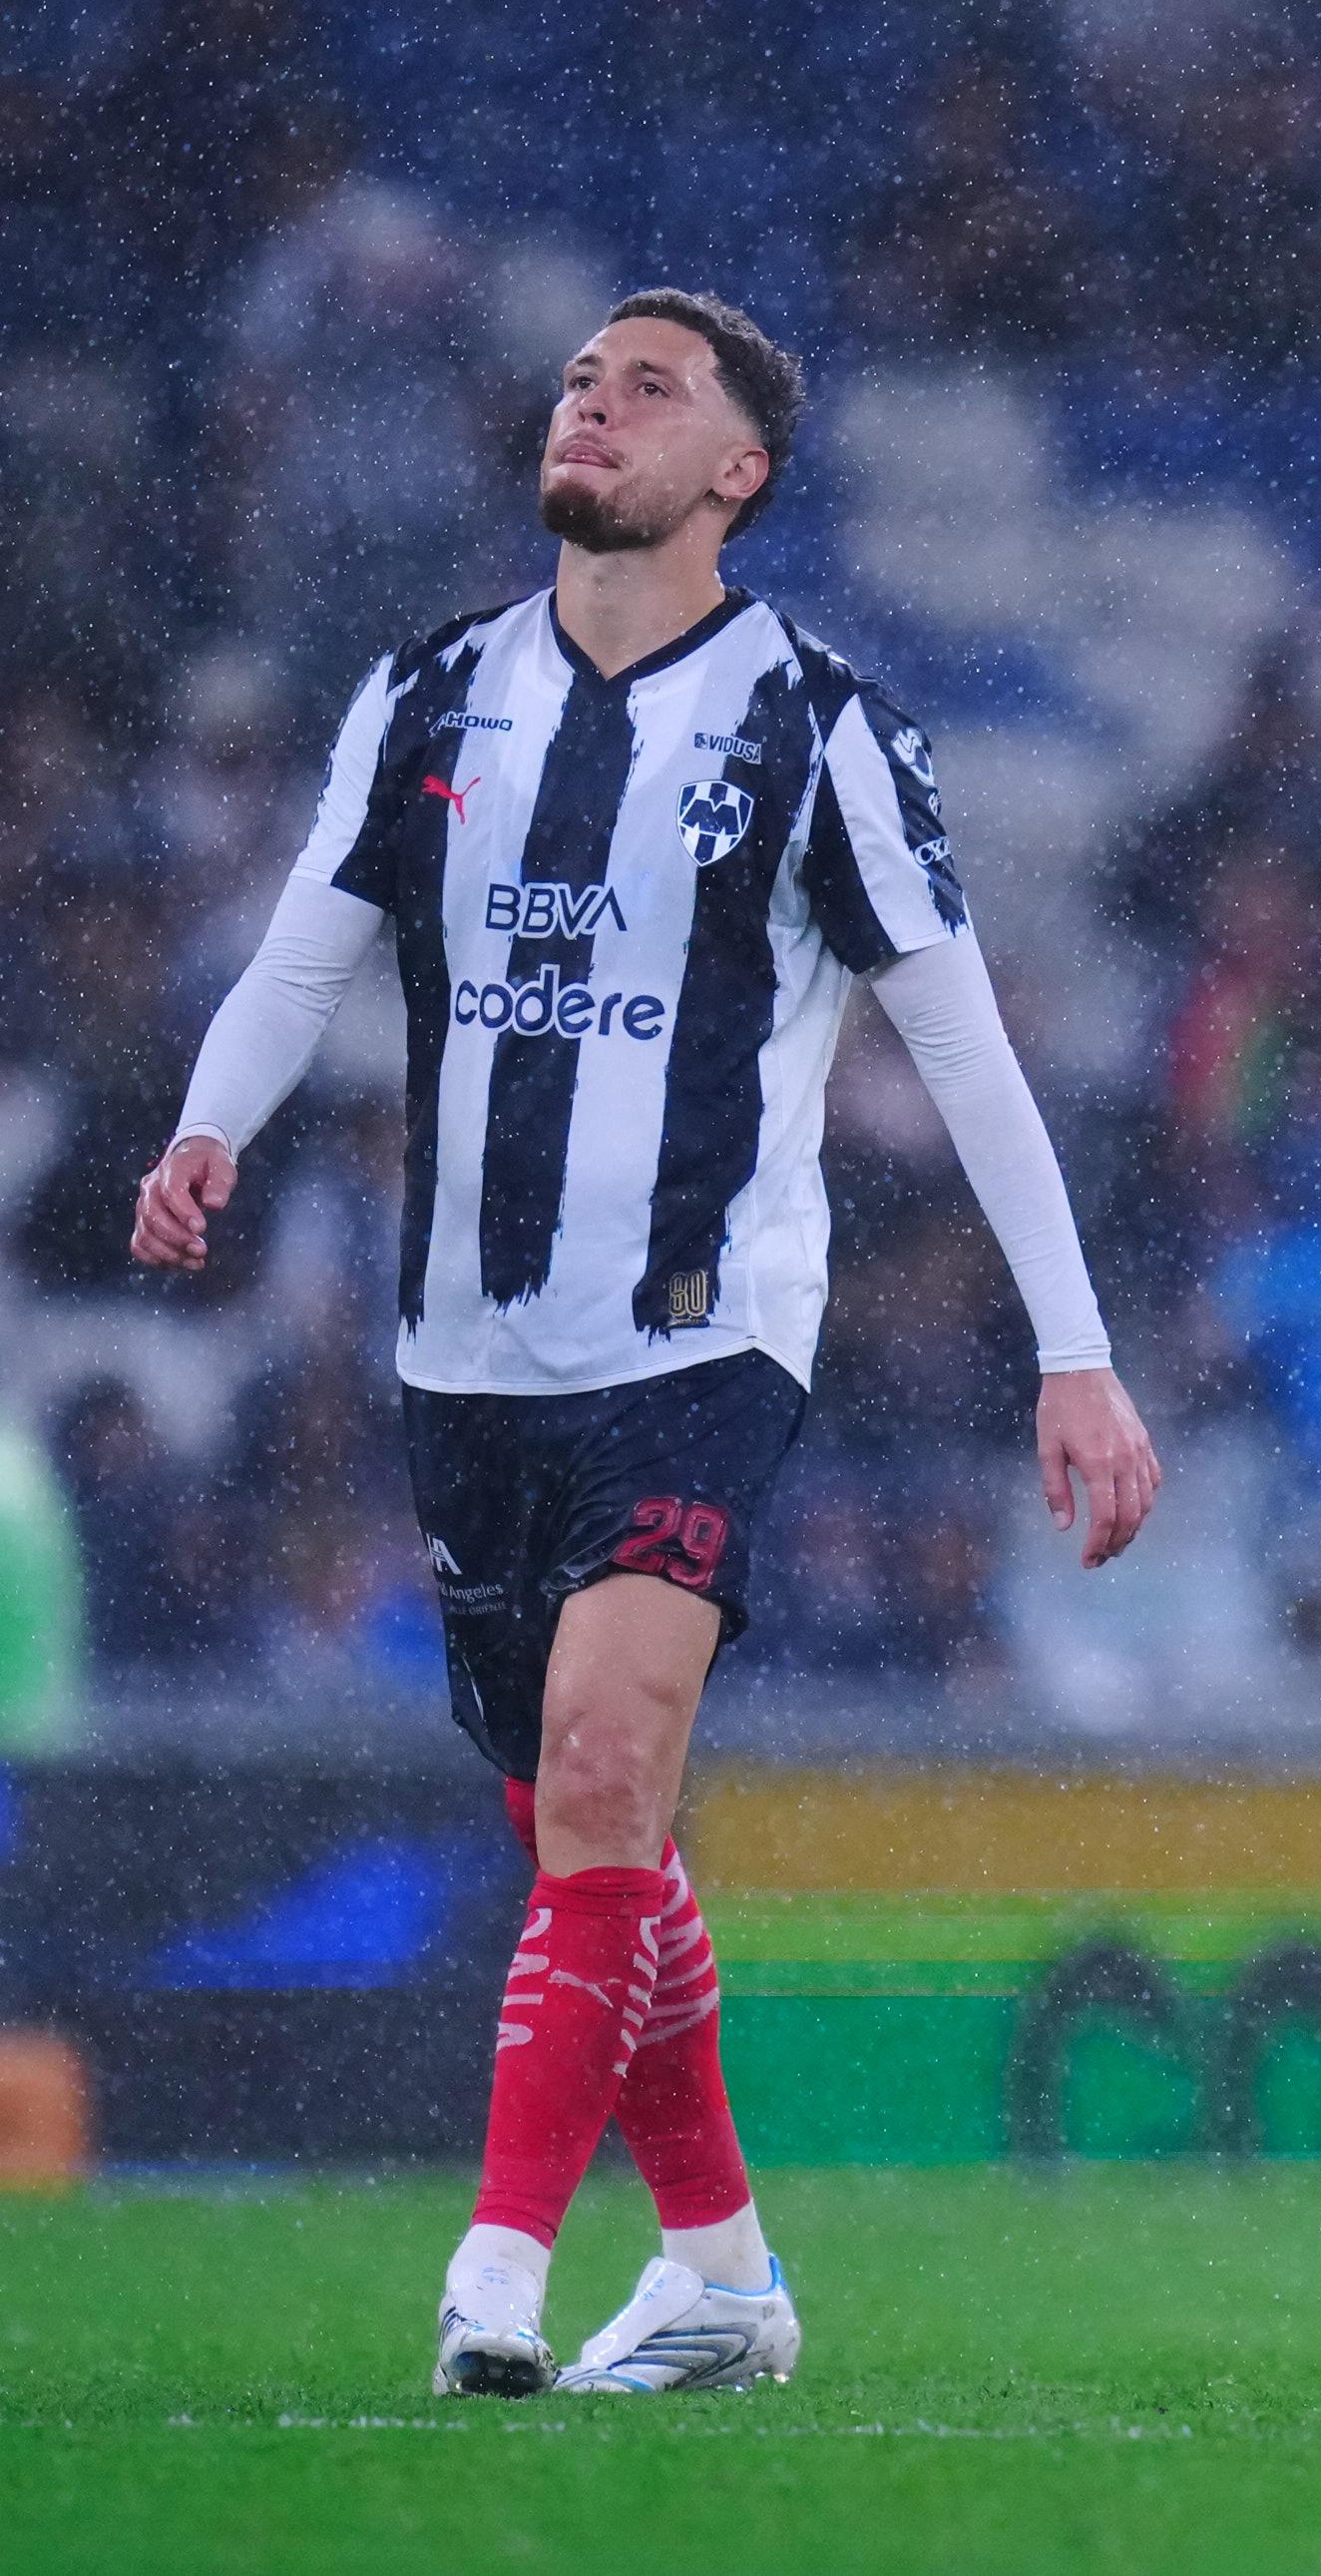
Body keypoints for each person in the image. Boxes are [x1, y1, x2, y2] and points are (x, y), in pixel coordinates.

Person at [130, 290, 1161, 2399]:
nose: (591, 402)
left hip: (703, 1335)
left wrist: (1076, 1348)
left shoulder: (820, 725)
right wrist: (205, 1131)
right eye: (581, 376)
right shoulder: (432, 694)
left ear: (736, 474)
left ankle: (493, 2277)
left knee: (604, 1766)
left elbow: (966, 1055)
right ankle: (720, 2271)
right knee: (588, 1826)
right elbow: (303, 944)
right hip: (469, 1349)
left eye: (649, 387)